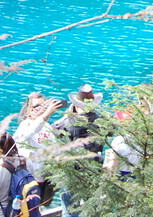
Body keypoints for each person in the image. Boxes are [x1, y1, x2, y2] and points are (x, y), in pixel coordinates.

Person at [53, 85, 104, 217]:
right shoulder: (101, 121)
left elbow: (54, 130)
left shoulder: (69, 122)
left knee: (69, 210)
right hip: (94, 169)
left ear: (76, 104)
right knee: (93, 208)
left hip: (72, 171)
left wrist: (67, 114)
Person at [14, 92, 63, 181]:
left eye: (44, 105)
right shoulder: (24, 125)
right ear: (29, 109)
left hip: (46, 177)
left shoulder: (46, 126)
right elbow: (31, 130)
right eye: (37, 106)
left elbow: (55, 148)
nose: (42, 109)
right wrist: (46, 115)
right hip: (30, 178)